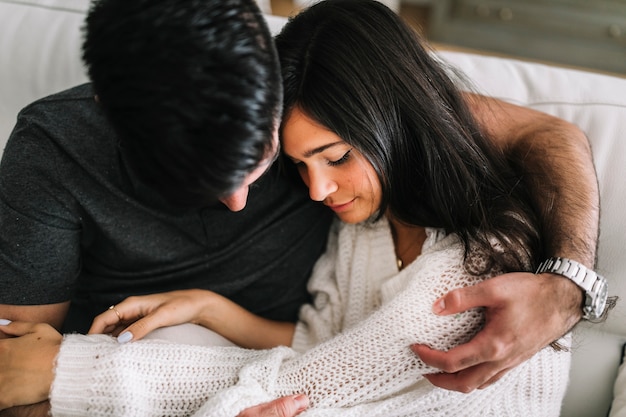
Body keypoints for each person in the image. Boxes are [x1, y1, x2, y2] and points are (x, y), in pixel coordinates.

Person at [0, 1, 603, 415]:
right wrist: (210, 308)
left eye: (260, 159)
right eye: (191, 174)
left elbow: (548, 134)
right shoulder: (360, 227)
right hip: (190, 353)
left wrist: (571, 284)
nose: (239, 200)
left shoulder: (471, 233)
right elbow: (15, 360)